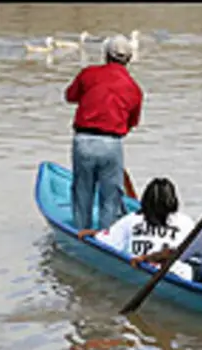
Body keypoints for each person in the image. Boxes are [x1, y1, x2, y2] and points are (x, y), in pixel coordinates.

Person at [65, 34, 143, 230]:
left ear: (106, 55)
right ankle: (107, 237)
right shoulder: (134, 89)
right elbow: (132, 122)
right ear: (129, 59)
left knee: (83, 192)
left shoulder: (88, 74)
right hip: (112, 144)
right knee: (111, 198)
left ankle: (81, 233)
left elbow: (70, 96)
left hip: (83, 141)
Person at [78, 178, 195, 280]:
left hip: (140, 269)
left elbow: (107, 242)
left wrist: (94, 234)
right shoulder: (186, 222)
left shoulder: (131, 219)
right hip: (180, 275)